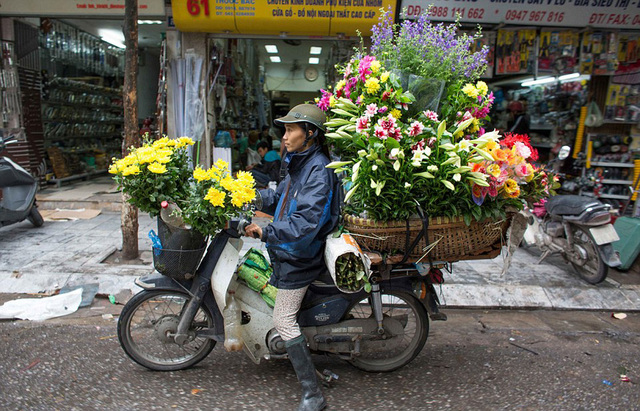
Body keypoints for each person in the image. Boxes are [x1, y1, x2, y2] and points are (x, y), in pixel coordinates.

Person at [244, 104, 340, 411]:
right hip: (288, 251)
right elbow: (280, 198)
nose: (284, 137)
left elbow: (304, 225)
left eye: (290, 130)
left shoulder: (318, 171)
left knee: (283, 320)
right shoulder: (300, 163)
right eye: (284, 130)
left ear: (310, 134)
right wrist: (250, 194)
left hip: (300, 256)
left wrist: (265, 232)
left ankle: (313, 394)